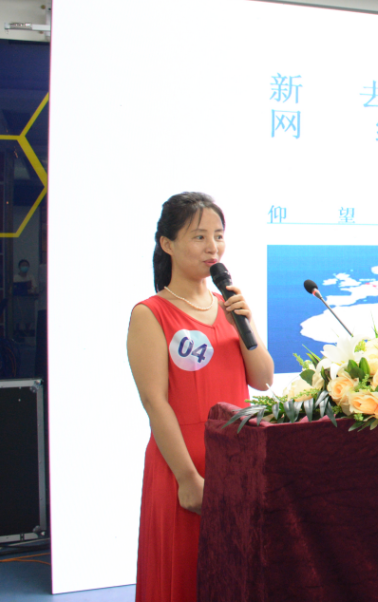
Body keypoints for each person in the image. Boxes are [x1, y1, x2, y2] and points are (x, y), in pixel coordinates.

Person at [127, 192, 274, 602]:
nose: (213, 247)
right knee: (185, 573)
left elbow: (263, 380)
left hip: (237, 462)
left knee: (235, 575)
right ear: (167, 244)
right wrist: (188, 478)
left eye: (219, 236)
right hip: (184, 466)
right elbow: (155, 402)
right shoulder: (150, 313)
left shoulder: (228, 307)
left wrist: (245, 323)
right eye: (199, 237)